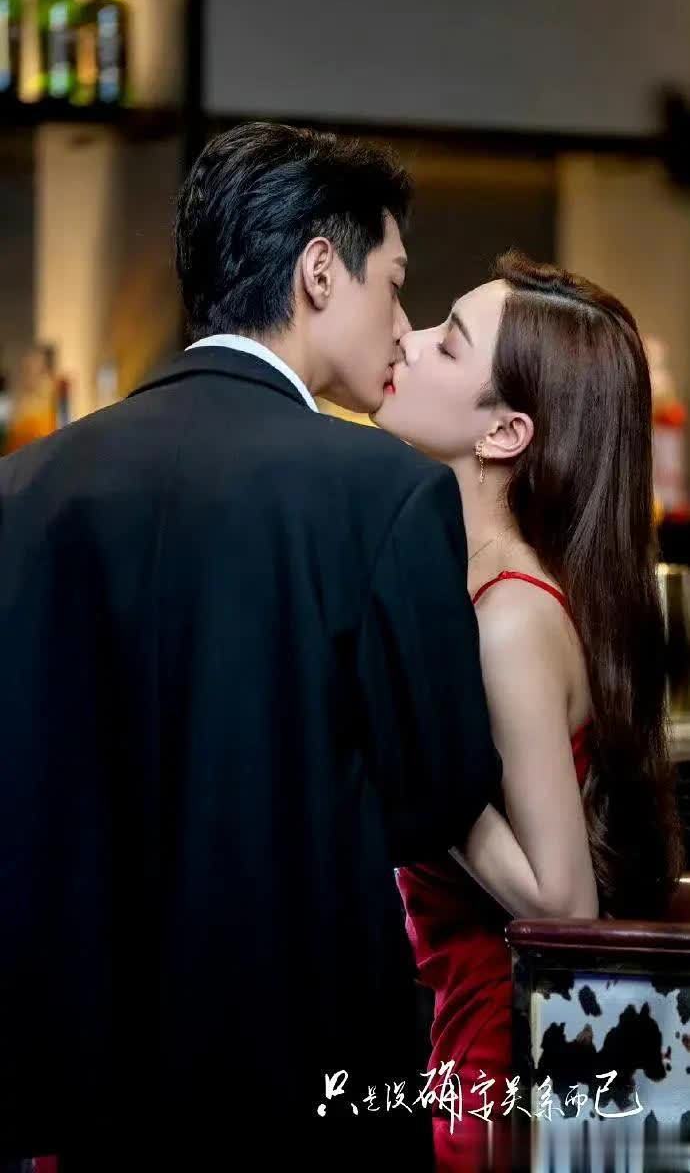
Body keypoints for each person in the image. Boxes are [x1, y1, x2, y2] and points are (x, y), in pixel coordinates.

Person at [0, 123, 502, 1169]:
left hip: (79, 1089)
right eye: (393, 283)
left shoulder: (26, 488)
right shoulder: (385, 492)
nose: (400, 325)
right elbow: (437, 791)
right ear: (320, 271)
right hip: (303, 1076)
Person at [374, 250, 685, 1169]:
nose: (408, 338)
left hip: (501, 1067)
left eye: (447, 342)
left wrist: (418, 755)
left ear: (507, 432)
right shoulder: (488, 588)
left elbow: (565, 904)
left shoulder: (510, 617)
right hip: (468, 1044)